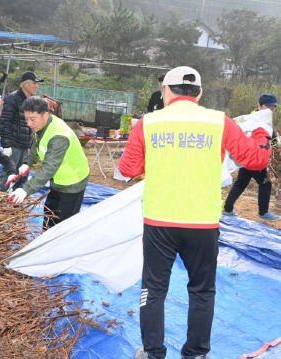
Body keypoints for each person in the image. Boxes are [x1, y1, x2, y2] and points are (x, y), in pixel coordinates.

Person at [119, 66, 272, 359]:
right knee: (202, 291)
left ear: (166, 91)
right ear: (199, 93)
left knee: (154, 288)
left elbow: (127, 169)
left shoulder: (148, 123)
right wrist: (264, 132)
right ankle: (196, 354)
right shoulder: (220, 122)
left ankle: (152, 353)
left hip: (159, 220)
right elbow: (253, 159)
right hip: (202, 222)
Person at [8, 96, 90, 229]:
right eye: (26, 119)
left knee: (64, 225)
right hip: (58, 181)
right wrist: (27, 163)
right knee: (50, 216)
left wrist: (25, 190)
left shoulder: (59, 136)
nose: (29, 123)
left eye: (32, 119)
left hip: (73, 181)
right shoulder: (42, 126)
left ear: (45, 115)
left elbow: (48, 168)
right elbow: (37, 143)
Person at [223, 93, 280, 221]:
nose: (270, 110)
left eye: (273, 108)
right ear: (259, 106)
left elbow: (272, 139)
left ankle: (228, 209)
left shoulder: (262, 121)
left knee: (241, 183)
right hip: (254, 158)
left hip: (248, 160)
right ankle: (263, 212)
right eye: (268, 107)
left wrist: (275, 143)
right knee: (266, 184)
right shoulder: (251, 121)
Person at [0, 71, 44, 191]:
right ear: (26, 85)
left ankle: (17, 203)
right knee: (8, 173)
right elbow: (5, 122)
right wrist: (6, 144)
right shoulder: (12, 99)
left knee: (22, 176)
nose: (36, 86)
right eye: (34, 83)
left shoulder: (32, 101)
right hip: (14, 145)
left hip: (26, 145)